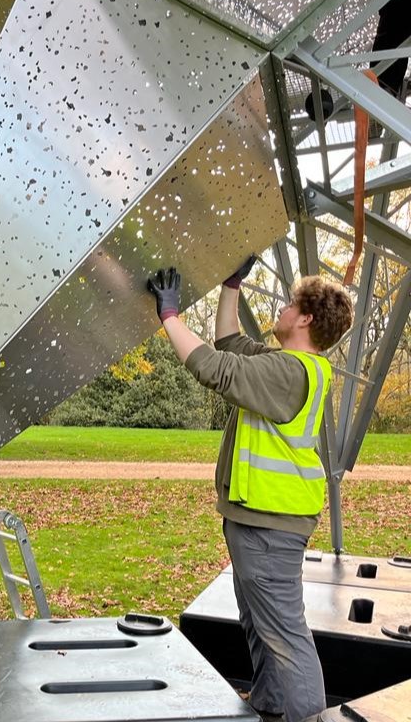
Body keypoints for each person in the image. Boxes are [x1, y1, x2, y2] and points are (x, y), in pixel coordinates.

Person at [147, 260, 353, 722]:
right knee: (263, 627)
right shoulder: (295, 365)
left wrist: (170, 317)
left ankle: (305, 717)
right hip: (262, 519)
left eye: (289, 304)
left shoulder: (287, 372)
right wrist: (231, 286)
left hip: (269, 524)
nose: (280, 308)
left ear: (305, 318)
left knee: (285, 637)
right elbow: (229, 342)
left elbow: (213, 367)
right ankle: (270, 707)